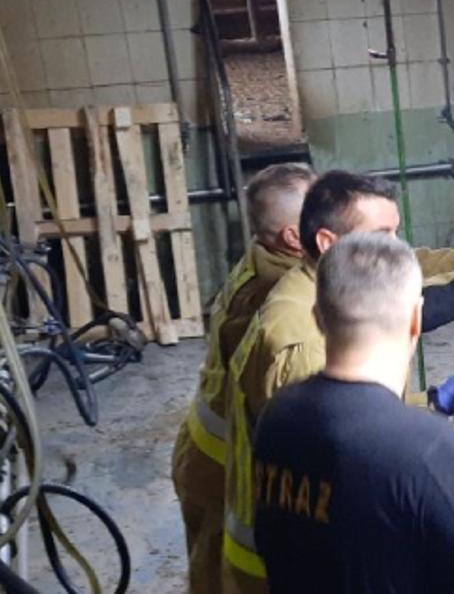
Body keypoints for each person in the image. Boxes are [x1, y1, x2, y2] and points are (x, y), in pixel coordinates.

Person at [220, 171, 454, 592]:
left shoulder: (281, 412)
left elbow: (350, 444)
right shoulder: (429, 450)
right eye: (383, 234)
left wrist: (430, 405)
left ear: (320, 315)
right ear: (418, 318)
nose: (395, 245)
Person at [172, 163, 314, 594]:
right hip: (225, 468)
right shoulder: (277, 297)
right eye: (324, 207)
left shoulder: (261, 256)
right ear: (293, 237)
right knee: (224, 577)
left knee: (208, 565)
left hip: (203, 450)